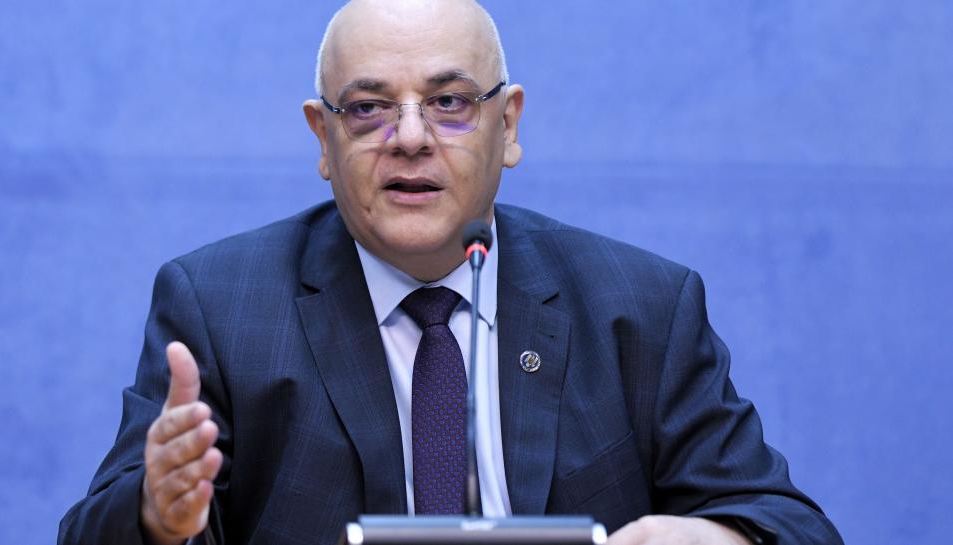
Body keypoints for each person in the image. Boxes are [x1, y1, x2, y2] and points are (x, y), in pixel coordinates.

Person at [59, 1, 844, 544]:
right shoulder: (221, 308)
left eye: (449, 102)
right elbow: (92, 531)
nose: (409, 136)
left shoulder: (640, 308)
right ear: (323, 139)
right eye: (368, 108)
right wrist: (156, 516)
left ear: (509, 125)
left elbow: (792, 523)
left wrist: (719, 536)